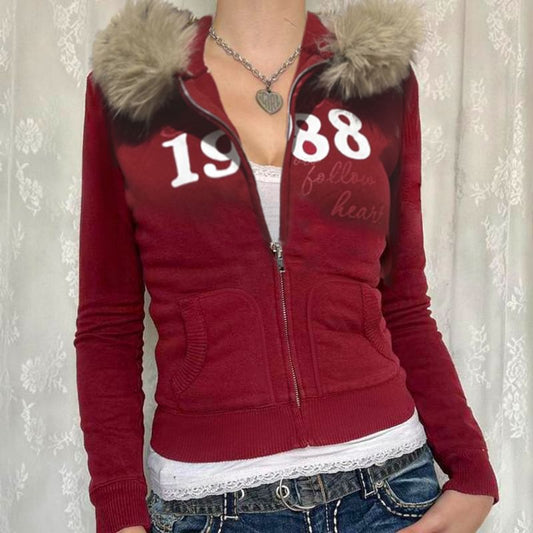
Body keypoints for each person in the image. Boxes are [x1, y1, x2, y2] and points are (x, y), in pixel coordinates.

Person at [73, 0, 500, 532]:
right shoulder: (133, 91)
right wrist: (119, 515)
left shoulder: (376, 81)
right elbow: (108, 326)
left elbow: (405, 301)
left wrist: (472, 472)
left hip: (389, 491)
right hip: (208, 507)